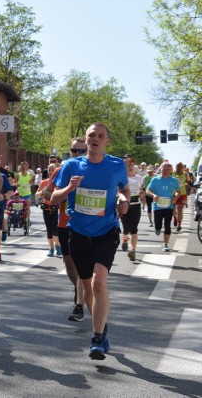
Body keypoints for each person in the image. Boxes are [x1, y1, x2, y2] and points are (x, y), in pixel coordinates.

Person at [51, 123, 130, 360]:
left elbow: (124, 189)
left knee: (98, 283)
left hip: (106, 231)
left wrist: (124, 200)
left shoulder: (116, 164)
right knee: (86, 285)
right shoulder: (71, 165)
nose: (95, 139)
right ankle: (102, 326)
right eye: (91, 136)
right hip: (78, 232)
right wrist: (69, 187)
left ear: (107, 141)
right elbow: (53, 199)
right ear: (85, 140)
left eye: (100, 136)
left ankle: (96, 337)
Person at [43, 137, 88, 322]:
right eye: (73, 150)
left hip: (87, 224)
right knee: (70, 265)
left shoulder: (94, 170)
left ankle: (79, 305)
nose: (76, 154)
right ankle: (79, 288)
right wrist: (57, 197)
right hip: (65, 223)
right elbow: (48, 192)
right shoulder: (63, 169)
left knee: (82, 265)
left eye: (80, 151)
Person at [145, 161, 180, 252]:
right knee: (158, 226)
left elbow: (178, 191)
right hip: (157, 207)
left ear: (171, 170)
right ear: (160, 169)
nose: (165, 171)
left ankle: (165, 244)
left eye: (168, 169)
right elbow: (148, 190)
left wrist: (176, 197)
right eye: (164, 169)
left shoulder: (174, 180)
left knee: (167, 225)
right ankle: (157, 228)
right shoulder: (155, 179)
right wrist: (153, 195)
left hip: (169, 206)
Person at [120, 161, 143, 261]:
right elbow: (118, 190)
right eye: (127, 166)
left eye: (131, 165)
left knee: (134, 228)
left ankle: (133, 251)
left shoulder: (139, 178)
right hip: (124, 204)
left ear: (134, 166)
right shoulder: (121, 178)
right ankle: (125, 238)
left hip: (136, 204)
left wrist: (142, 193)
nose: (129, 167)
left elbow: (141, 189)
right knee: (126, 227)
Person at [36, 163, 60, 257]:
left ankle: (57, 246)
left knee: (55, 228)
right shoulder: (44, 182)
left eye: (52, 170)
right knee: (49, 230)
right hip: (46, 207)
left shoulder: (59, 182)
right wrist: (42, 192)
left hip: (56, 207)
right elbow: (36, 194)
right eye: (49, 170)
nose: (50, 172)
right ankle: (51, 248)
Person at [171, 162, 189, 232]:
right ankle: (175, 218)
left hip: (182, 194)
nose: (179, 168)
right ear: (175, 167)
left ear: (183, 168)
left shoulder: (185, 174)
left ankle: (179, 224)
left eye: (180, 167)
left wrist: (187, 193)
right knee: (173, 209)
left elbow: (188, 183)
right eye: (177, 167)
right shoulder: (172, 173)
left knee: (180, 210)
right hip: (173, 194)